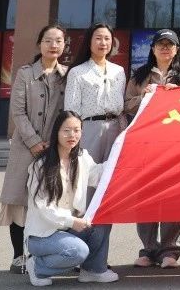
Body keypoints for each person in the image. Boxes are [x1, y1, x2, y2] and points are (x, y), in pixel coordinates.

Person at [123, 29, 180, 269]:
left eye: (170, 44)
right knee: (145, 196)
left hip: (175, 146)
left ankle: (169, 250)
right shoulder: (139, 76)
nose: (165, 48)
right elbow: (126, 105)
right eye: (161, 44)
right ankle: (148, 249)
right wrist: (143, 97)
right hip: (145, 145)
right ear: (153, 49)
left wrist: (179, 97)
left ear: (177, 50)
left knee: (173, 197)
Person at [0, 23, 68, 274]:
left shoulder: (67, 75)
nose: (53, 45)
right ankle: (19, 256)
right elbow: (17, 112)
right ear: (40, 44)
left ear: (64, 45)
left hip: (55, 148)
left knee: (52, 200)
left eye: (58, 41)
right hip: (25, 147)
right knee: (20, 201)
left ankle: (48, 255)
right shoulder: (25, 74)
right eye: (48, 40)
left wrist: (56, 142)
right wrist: (34, 142)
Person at [23, 110, 118, 286]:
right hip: (43, 234)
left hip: (68, 229)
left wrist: (121, 157)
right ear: (56, 132)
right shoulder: (41, 165)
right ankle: (37, 266)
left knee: (102, 218)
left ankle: (92, 270)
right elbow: (43, 207)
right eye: (66, 130)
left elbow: (99, 175)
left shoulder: (82, 157)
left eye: (76, 130)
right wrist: (72, 221)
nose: (72, 135)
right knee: (77, 251)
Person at [62, 23, 126, 163]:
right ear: (89, 41)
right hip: (89, 129)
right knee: (88, 170)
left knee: (112, 171)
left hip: (115, 128)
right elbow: (71, 109)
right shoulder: (77, 72)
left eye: (107, 38)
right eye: (98, 38)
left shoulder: (119, 71)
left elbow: (121, 104)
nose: (103, 43)